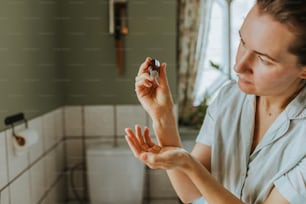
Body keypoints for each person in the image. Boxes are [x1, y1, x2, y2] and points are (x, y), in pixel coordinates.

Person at [124, 0, 306, 203]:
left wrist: (189, 164)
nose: (239, 66)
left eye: (264, 59)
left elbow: (192, 172)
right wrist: (162, 116)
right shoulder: (229, 98)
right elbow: (193, 194)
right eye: (242, 42)